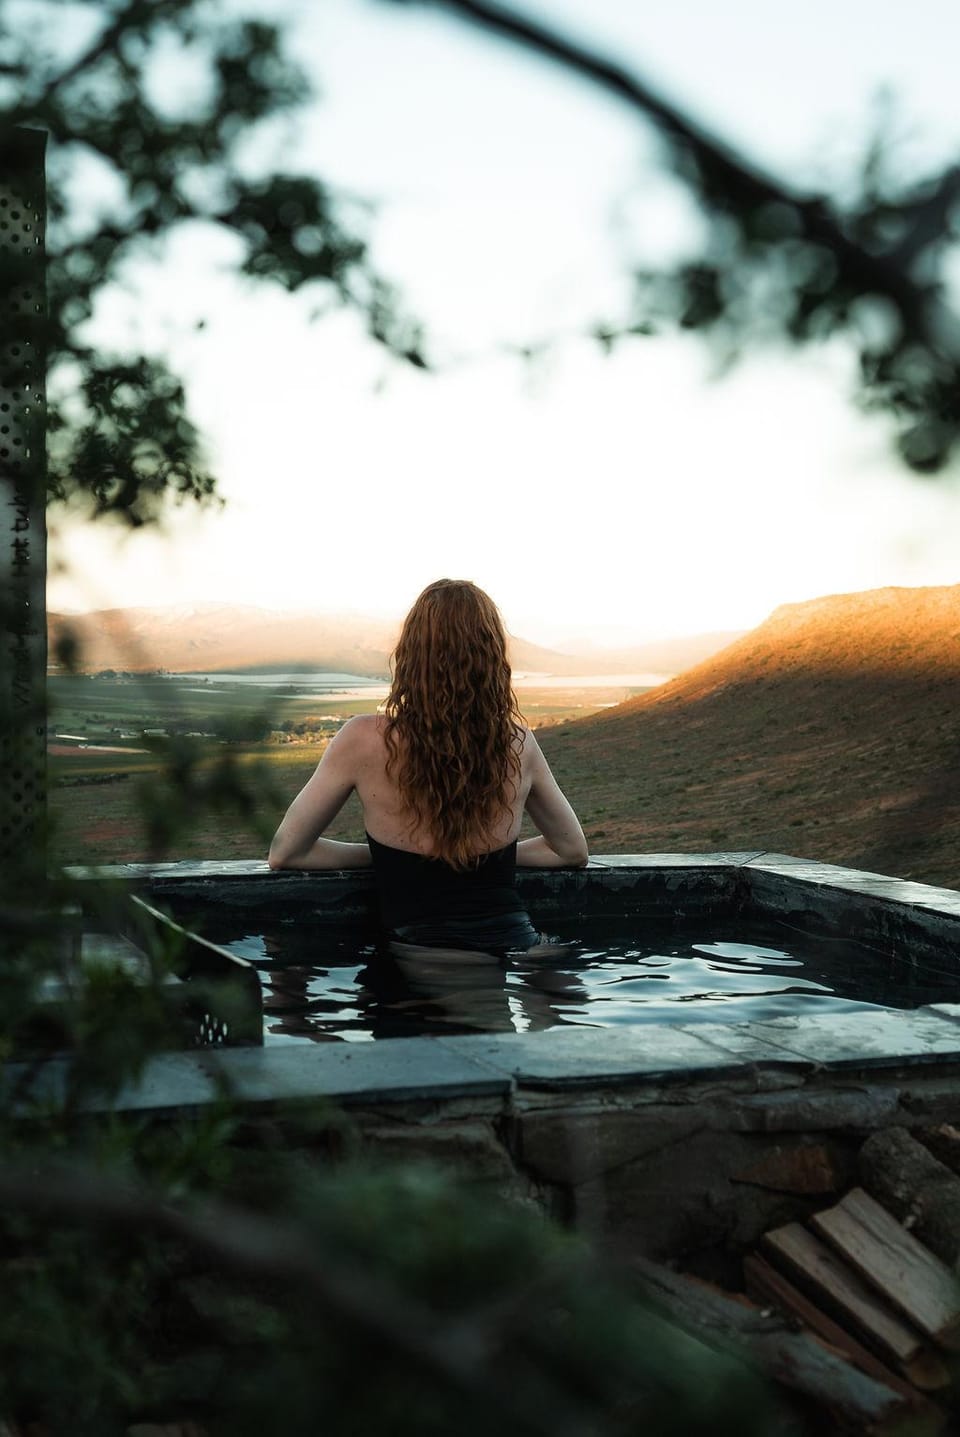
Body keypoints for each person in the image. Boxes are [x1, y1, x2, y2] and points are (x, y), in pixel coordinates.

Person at [268, 578, 589, 958]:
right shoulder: (517, 743)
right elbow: (570, 850)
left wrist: (389, 859)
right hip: (519, 943)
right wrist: (479, 858)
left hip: (421, 955)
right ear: (492, 657)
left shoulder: (362, 739)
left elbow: (286, 853)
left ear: (410, 654)